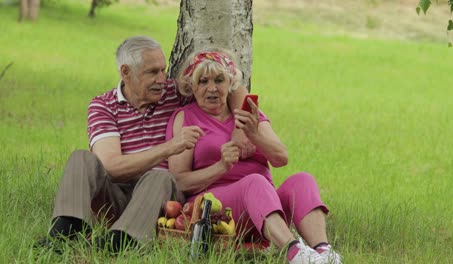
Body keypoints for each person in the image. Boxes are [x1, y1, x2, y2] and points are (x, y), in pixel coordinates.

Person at [38, 36, 250, 253]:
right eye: (152, 72)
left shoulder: (174, 93)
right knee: (81, 158)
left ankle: (120, 242)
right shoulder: (103, 106)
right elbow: (112, 167)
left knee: (160, 176)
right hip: (116, 196)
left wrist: (239, 127)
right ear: (126, 72)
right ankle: (64, 233)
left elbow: (233, 87)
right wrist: (169, 147)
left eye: (163, 70)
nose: (162, 79)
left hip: (161, 199)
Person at [166, 49, 342, 264]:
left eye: (219, 80)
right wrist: (221, 166)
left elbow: (281, 158)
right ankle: (295, 254)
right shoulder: (186, 117)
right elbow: (179, 181)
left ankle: (324, 254)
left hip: (265, 207)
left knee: (302, 180)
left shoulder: (247, 113)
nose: (212, 88)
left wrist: (254, 135)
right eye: (203, 81)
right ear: (191, 86)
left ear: (230, 83)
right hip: (217, 210)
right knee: (254, 182)